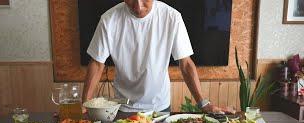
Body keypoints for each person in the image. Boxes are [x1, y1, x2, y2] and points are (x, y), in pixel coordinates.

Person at [83, 0, 228, 113]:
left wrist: (203, 103)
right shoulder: (109, 20)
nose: (138, 6)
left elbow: (186, 63)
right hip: (123, 108)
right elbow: (97, 63)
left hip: (159, 109)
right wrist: (85, 104)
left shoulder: (172, 17)